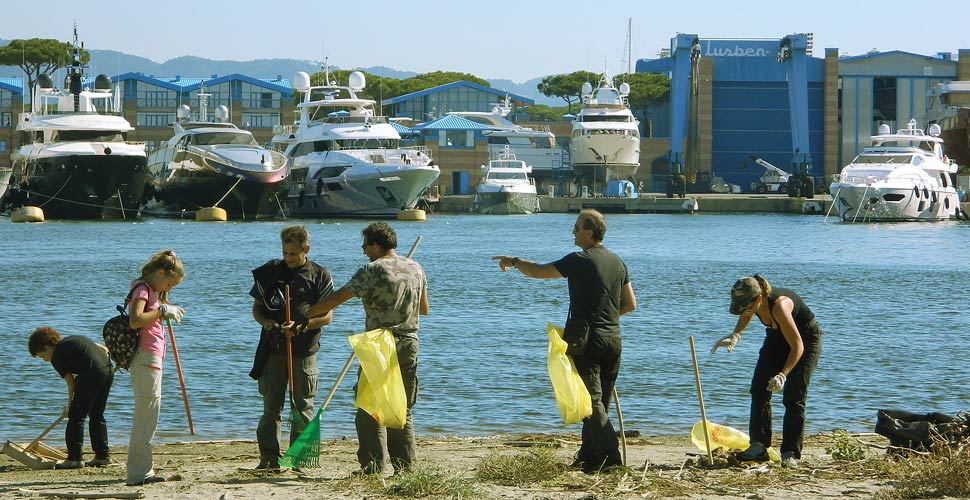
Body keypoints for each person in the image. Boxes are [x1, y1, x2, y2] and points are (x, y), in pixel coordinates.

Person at [492, 209, 637, 473]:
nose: (573, 231)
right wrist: (605, 320)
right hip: (613, 340)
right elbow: (630, 304)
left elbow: (538, 272)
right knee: (598, 402)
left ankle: (612, 460)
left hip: (588, 342)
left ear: (589, 232)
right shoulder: (618, 262)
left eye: (577, 227)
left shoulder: (579, 260)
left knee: (591, 402)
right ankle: (590, 456)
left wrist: (513, 261)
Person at [305, 222, 428, 476]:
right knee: (400, 405)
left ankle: (373, 467)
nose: (363, 251)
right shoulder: (415, 267)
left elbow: (338, 298)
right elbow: (423, 309)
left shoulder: (371, 269)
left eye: (365, 245)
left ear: (376, 244)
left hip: (380, 343)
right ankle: (406, 468)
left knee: (369, 405)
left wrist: (307, 314)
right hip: (409, 341)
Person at [712, 275, 822, 468]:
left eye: (747, 306)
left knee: (794, 396)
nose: (744, 311)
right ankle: (759, 446)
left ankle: (789, 453)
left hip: (805, 340)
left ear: (759, 299)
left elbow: (797, 347)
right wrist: (735, 336)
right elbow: (746, 314)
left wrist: (782, 375)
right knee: (759, 388)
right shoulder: (752, 303)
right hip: (776, 336)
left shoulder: (780, 306)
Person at [249, 225, 334, 470]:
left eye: (293, 254)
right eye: (285, 253)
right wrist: (267, 323)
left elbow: (328, 317)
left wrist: (301, 327)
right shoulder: (270, 271)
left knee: (303, 406)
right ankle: (269, 459)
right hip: (272, 350)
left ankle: (299, 460)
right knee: (270, 408)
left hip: (304, 351)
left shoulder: (320, 275)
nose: (288, 258)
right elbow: (257, 308)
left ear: (306, 249)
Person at [126, 249, 186, 486]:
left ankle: (142, 469)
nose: (168, 289)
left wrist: (162, 307)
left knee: (150, 413)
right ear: (160, 273)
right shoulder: (142, 288)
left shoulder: (152, 291)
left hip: (151, 357)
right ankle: (138, 473)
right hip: (144, 357)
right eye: (169, 283)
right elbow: (135, 320)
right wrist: (161, 311)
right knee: (146, 413)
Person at [28, 326, 115, 469]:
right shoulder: (72, 339)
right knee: (96, 414)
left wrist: (70, 406)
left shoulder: (57, 356)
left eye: (42, 356)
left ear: (47, 347)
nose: (44, 360)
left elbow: (71, 383)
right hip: (107, 370)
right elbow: (103, 348)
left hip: (91, 374)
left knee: (76, 417)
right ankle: (102, 456)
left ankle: (74, 459)